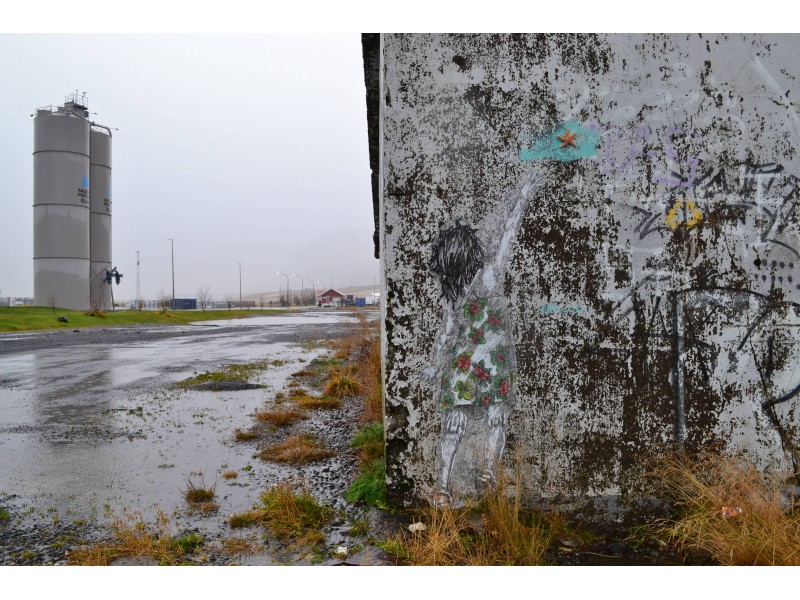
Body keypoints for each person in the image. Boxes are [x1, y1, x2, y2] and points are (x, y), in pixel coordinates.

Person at [426, 170, 545, 507]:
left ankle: (442, 488)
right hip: (493, 360)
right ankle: (489, 471)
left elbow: (448, 332)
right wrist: (522, 197)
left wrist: (437, 367)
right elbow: (508, 233)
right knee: (497, 418)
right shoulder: (489, 276)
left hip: (464, 363)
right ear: (470, 250)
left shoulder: (455, 291)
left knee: (455, 423)